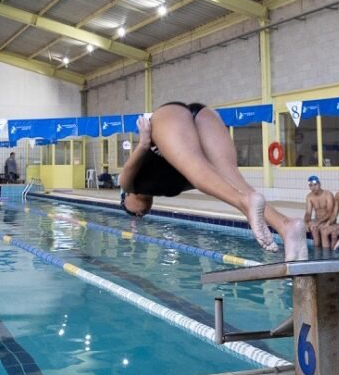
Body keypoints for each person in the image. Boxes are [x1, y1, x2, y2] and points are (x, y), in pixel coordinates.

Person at [118, 102, 307, 261]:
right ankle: (287, 226)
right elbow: (212, 181)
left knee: (203, 176)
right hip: (202, 117)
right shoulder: (169, 188)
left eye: (133, 213)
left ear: (126, 198)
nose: (140, 214)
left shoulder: (129, 185)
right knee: (231, 180)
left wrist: (143, 141)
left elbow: (128, 167)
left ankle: (246, 204)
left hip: (169, 118)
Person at [302, 175, 336, 249]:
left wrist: (318, 222)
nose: (313, 187)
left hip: (328, 221)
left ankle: (326, 253)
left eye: (315, 185)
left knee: (321, 229)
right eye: (311, 185)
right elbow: (308, 212)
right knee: (313, 228)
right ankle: (317, 252)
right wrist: (306, 222)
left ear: (319, 184)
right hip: (318, 220)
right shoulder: (309, 197)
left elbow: (330, 212)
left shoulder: (328, 194)